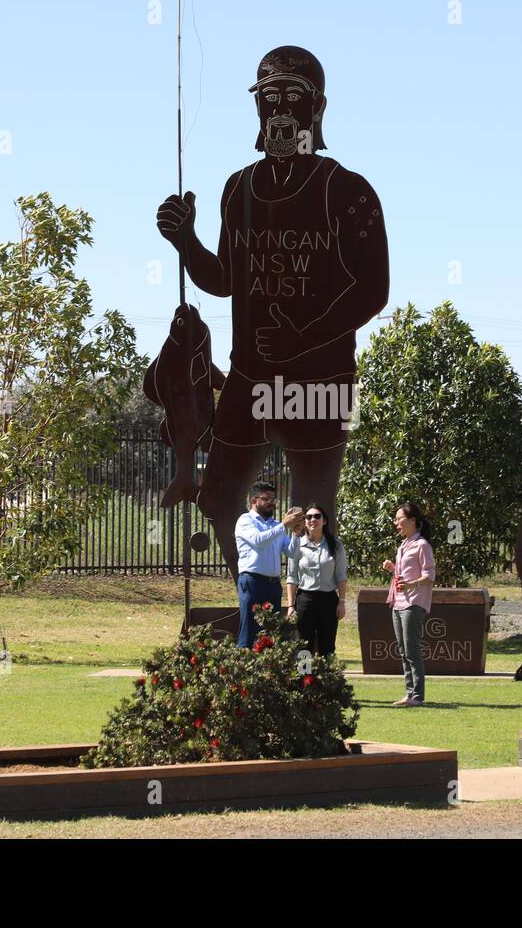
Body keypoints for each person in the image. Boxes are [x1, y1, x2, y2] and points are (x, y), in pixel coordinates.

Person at [155, 45, 389, 581]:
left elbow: (373, 290)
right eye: (270, 96)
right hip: (248, 378)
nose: (281, 108)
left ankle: (311, 608)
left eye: (294, 96)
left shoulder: (347, 191)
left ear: (317, 108)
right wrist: (185, 241)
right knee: (217, 498)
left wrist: (300, 338)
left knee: (314, 511)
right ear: (258, 107)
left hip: (320, 379)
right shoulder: (238, 188)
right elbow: (225, 280)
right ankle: (255, 599)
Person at [234, 481, 303, 648]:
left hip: (273, 585)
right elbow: (258, 541)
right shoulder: (245, 520)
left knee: (271, 631)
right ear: (253, 500)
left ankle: (268, 670)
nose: (272, 502)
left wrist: (296, 533)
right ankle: (243, 667)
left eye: (273, 499)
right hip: (252, 582)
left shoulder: (275, 525)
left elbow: (292, 552)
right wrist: (284, 525)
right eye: (267, 499)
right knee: (250, 629)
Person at [383, 502, 435, 707]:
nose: (396, 523)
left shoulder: (422, 545)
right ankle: (409, 693)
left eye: (399, 519)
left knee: (412, 650)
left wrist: (410, 585)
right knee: (403, 650)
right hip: (398, 602)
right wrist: (393, 568)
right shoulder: (403, 545)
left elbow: (429, 575)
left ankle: (417, 696)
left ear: (412, 520)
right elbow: (403, 575)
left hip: (413, 603)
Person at [285, 503, 348, 656]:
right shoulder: (297, 546)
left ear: (324, 521)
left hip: (328, 600)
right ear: (304, 521)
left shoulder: (336, 545)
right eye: (309, 517)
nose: (313, 519)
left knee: (328, 646)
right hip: (305, 600)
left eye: (317, 516)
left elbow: (341, 576)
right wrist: (291, 606)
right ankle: (304, 678)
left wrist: (342, 602)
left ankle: (328, 679)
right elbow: (292, 577)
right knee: (304, 646)